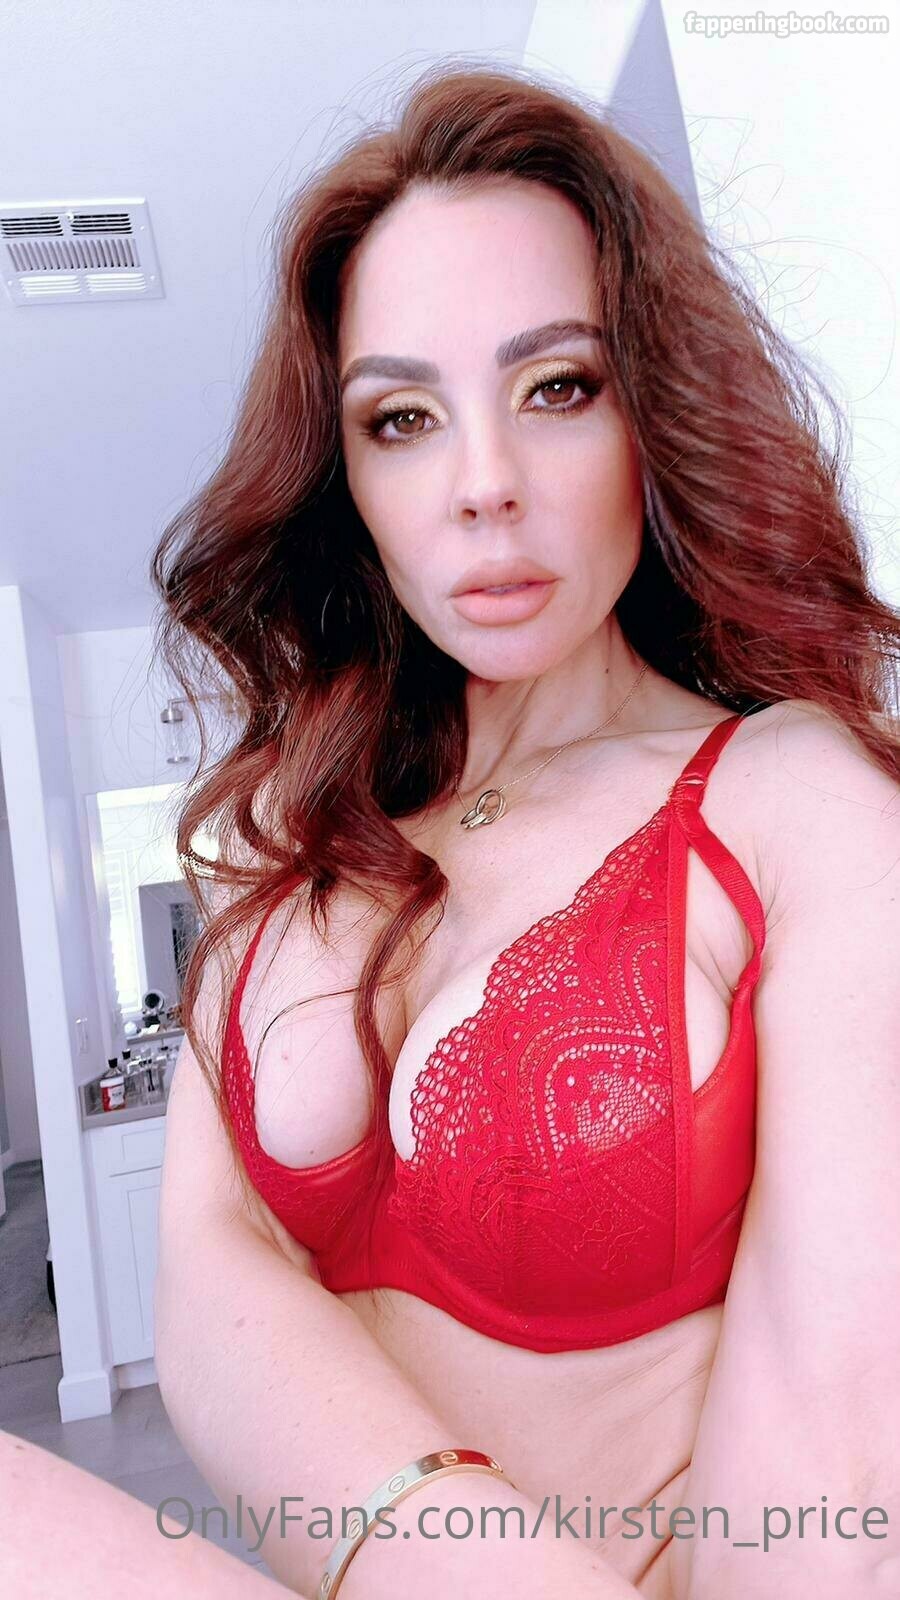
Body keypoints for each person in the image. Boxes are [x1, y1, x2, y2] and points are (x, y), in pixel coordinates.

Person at [143, 62, 900, 1600]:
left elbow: (833, 1450)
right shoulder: (295, 829)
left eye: (558, 387)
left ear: (654, 412)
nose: (483, 487)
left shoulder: (789, 798)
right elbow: (211, 1276)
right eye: (402, 418)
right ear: (347, 479)